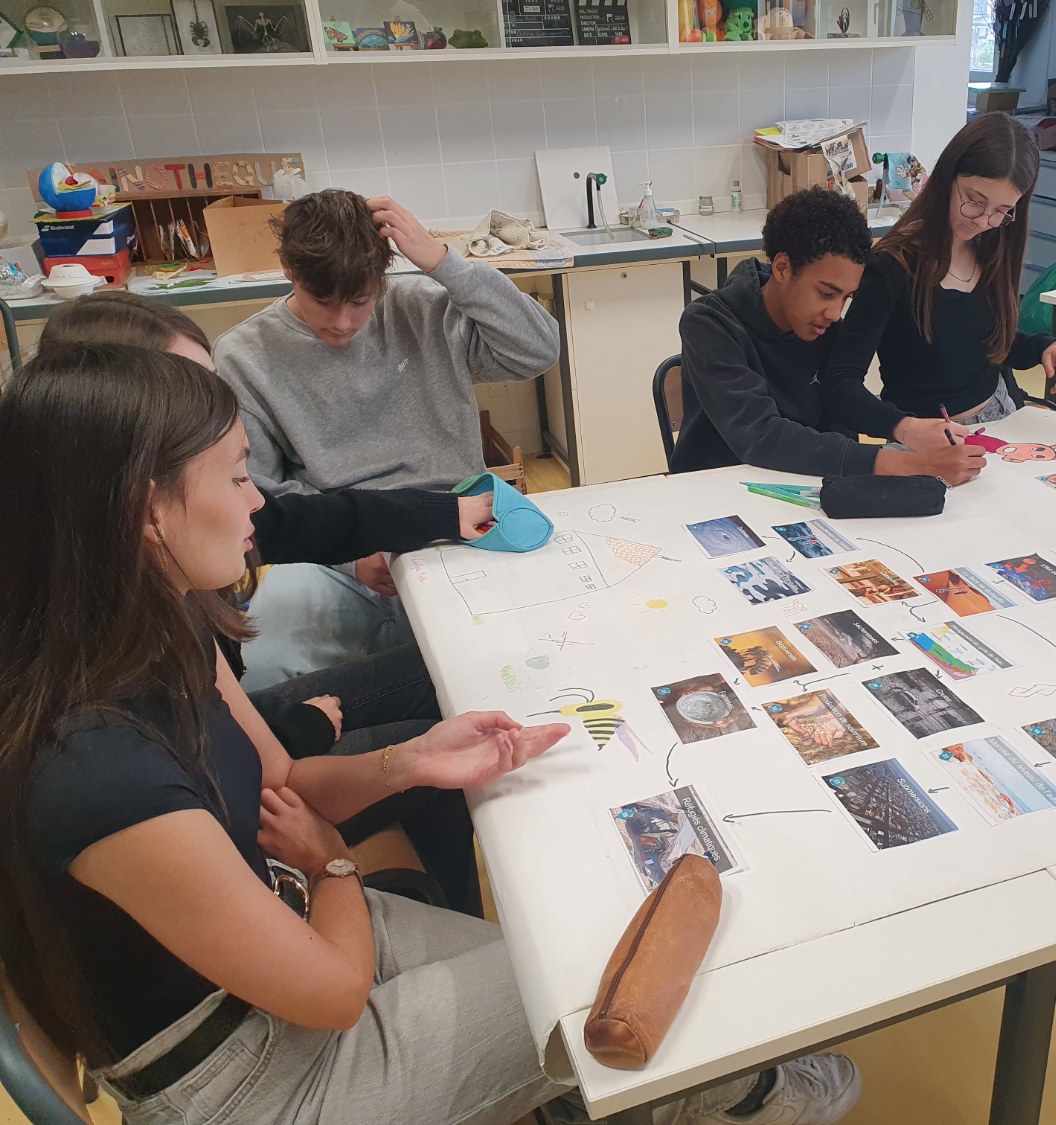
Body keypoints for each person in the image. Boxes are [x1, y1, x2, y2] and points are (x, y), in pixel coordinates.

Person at [0, 343, 861, 1125]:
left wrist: (409, 761)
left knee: (586, 949)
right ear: (146, 511)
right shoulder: (95, 770)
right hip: (250, 1076)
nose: (257, 498)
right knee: (611, 973)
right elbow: (333, 993)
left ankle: (637, 1093)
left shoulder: (165, 615)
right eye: (234, 478)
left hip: (283, 930)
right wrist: (333, 864)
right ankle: (751, 1097)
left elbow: (284, 781)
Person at [36, 290, 505, 915]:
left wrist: (444, 512)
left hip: (251, 759)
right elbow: (233, 782)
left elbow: (254, 752)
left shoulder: (166, 601)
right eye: (191, 400)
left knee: (437, 694)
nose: (254, 498)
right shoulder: (105, 741)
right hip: (261, 840)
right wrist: (331, 864)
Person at [214, 189, 560, 690]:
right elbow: (259, 490)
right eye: (322, 302)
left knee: (527, 661)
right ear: (288, 268)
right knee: (264, 672)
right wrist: (350, 555)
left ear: (382, 276)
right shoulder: (244, 355)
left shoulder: (422, 307)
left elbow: (539, 350)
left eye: (359, 302)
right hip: (335, 543)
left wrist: (445, 265)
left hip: (457, 521)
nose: (341, 323)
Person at [670, 188, 986, 486]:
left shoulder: (827, 332)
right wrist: (912, 464)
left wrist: (905, 430)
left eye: (846, 297)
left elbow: (841, 426)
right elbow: (760, 435)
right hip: (715, 490)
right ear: (782, 268)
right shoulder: (711, 324)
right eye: (825, 293)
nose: (835, 313)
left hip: (799, 485)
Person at [823, 114, 1056, 432]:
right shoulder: (892, 267)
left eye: (1002, 211)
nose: (983, 221)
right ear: (947, 177)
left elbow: (988, 341)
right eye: (975, 201)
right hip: (927, 436)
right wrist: (904, 428)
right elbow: (841, 382)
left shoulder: (991, 248)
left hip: (1001, 416)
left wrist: (1045, 346)